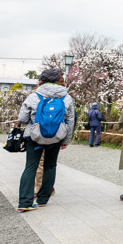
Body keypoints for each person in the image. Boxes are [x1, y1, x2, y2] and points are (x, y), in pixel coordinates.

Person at [17, 68, 75, 212]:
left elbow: (22, 118)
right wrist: (66, 140)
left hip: (34, 136)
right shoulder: (66, 97)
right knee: (50, 166)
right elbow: (71, 120)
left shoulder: (34, 96)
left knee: (30, 167)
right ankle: (43, 199)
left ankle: (25, 202)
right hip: (56, 137)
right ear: (58, 80)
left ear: (41, 80)